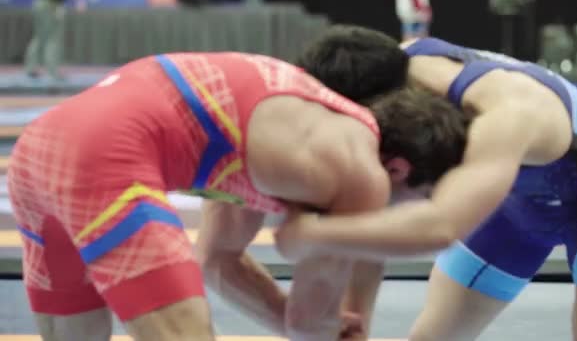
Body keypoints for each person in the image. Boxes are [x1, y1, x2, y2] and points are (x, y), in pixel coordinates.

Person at [8, 51, 393, 341]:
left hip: (36, 151)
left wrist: (291, 320)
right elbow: (312, 322)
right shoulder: (344, 150)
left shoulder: (273, 118)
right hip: (102, 154)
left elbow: (218, 260)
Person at [277, 25, 577, 340]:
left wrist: (310, 232)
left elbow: (440, 228)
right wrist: (355, 322)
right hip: (513, 207)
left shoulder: (506, 113)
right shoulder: (386, 67)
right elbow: (371, 211)